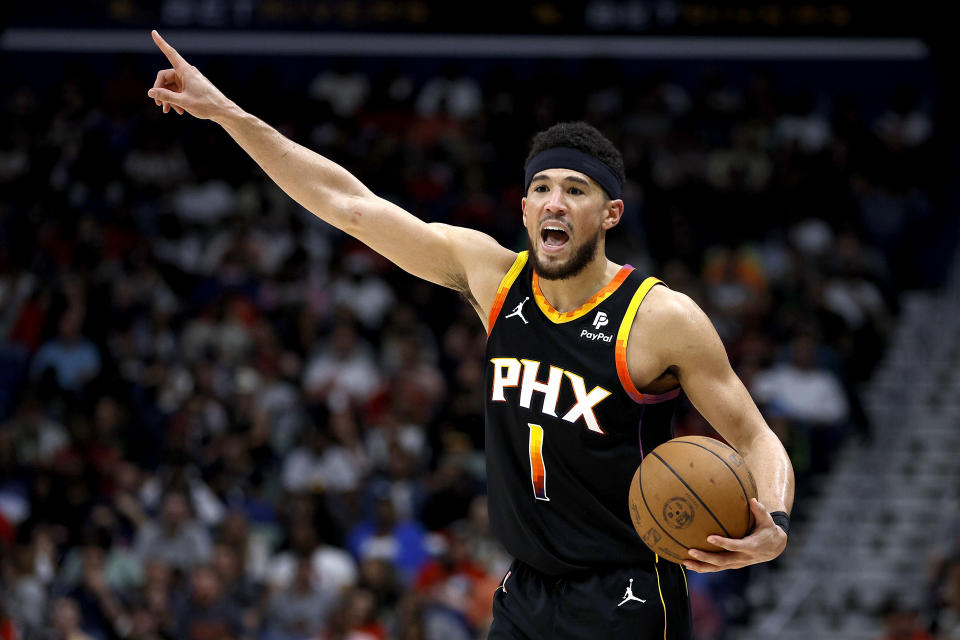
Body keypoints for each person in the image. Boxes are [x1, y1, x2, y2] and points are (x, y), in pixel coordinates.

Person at [146, 30, 794, 639]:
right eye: (541, 188)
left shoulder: (660, 319)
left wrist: (776, 524)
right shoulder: (493, 277)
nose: (554, 202)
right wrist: (229, 113)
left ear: (610, 214)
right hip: (526, 591)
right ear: (524, 208)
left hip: (625, 590)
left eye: (575, 189)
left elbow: (754, 436)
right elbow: (345, 203)